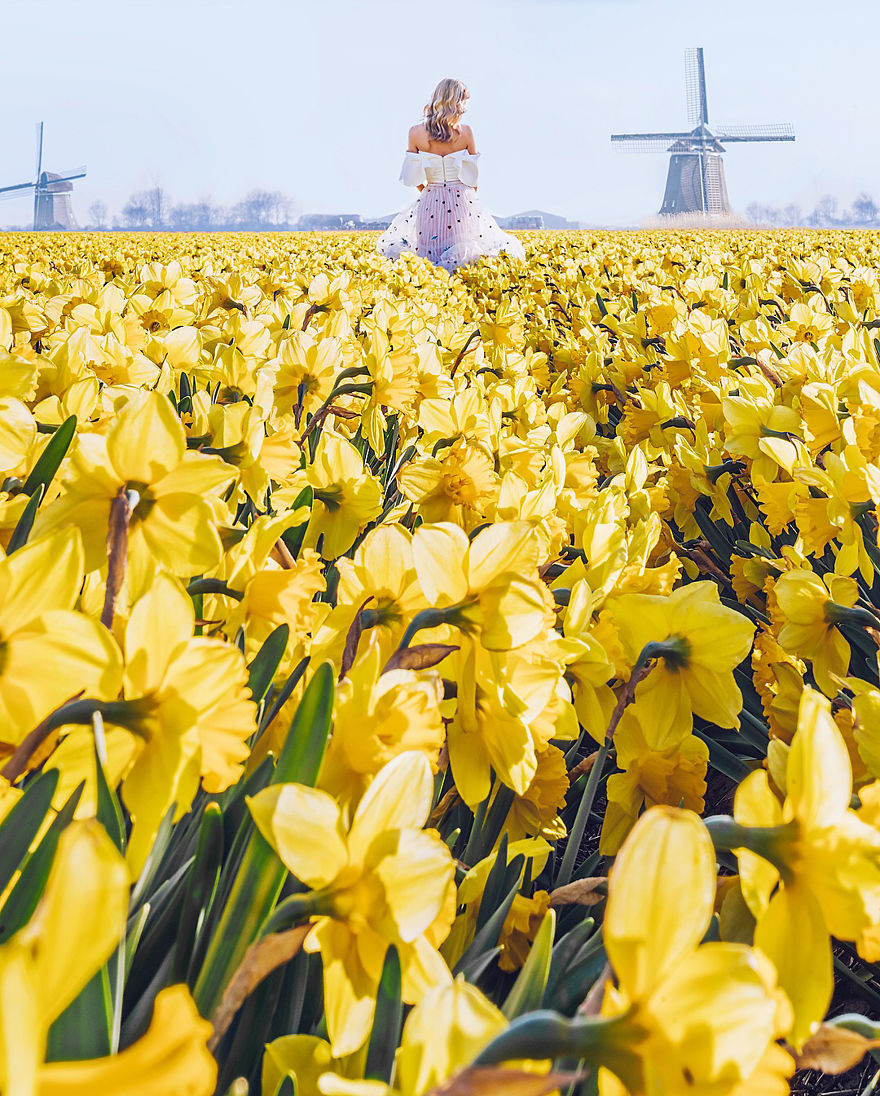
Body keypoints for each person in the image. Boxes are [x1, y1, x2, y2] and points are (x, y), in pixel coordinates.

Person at [377, 78, 525, 272]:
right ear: (457, 102)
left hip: (430, 199)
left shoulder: (415, 133)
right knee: (463, 259)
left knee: (429, 257)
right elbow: (473, 180)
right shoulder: (466, 132)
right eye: (464, 102)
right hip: (462, 200)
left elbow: (413, 178)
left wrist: (428, 191)